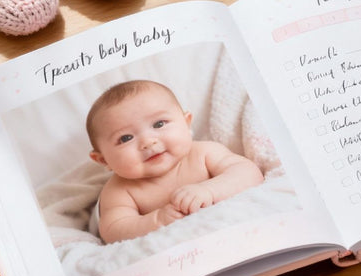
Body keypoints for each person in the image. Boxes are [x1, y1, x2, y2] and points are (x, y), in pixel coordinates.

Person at [86, 79, 264, 243]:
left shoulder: (204, 153)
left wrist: (209, 191)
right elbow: (112, 231)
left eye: (159, 124)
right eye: (125, 138)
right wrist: (156, 220)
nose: (148, 142)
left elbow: (249, 174)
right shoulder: (120, 190)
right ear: (103, 160)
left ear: (186, 123)